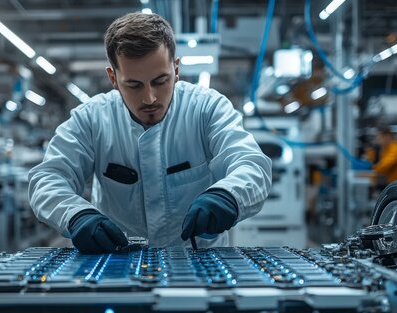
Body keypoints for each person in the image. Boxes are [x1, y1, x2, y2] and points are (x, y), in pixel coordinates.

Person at [28, 13, 272, 253]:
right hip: (117, 262)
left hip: (199, 259)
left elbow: (250, 164)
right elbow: (47, 179)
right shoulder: (91, 119)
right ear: (113, 78)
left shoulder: (207, 109)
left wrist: (227, 196)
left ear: (176, 69)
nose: (149, 98)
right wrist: (76, 214)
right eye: (133, 85)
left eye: (160, 81)